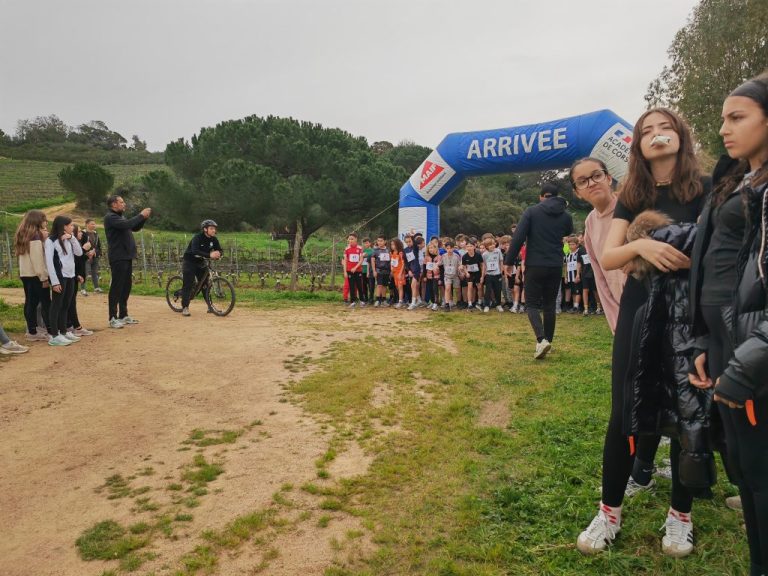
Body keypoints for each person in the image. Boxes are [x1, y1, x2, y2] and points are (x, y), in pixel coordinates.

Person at [576, 108, 708, 558]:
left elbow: (719, 251)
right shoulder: (633, 193)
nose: (656, 135)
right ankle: (608, 512)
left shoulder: (707, 189)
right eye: (647, 131)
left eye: (665, 127)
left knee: (685, 410)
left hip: (689, 308)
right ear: (637, 145)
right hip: (641, 304)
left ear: (680, 136)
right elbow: (612, 256)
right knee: (623, 410)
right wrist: (643, 244)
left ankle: (680, 516)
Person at [689, 72, 768, 576]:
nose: (723, 129)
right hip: (723, 333)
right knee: (741, 461)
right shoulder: (739, 180)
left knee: (762, 469)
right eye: (722, 118)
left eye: (736, 117)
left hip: (754, 345)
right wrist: (702, 334)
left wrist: (748, 360)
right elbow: (717, 262)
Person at [504, 182, 574, 359]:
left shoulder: (532, 211)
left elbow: (518, 237)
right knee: (550, 305)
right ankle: (548, 341)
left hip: (535, 263)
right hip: (556, 264)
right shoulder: (566, 216)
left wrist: (509, 261)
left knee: (532, 304)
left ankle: (541, 340)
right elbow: (567, 232)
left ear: (541, 196)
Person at [104, 195, 151, 328]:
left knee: (126, 286)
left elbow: (134, 227)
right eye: (122, 202)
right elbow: (128, 224)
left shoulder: (120, 217)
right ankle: (112, 317)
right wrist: (141, 215)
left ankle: (123, 315)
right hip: (118, 257)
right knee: (117, 287)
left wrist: (143, 219)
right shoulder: (110, 217)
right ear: (114, 204)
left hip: (126, 256)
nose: (124, 204)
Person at [44, 215, 83, 347]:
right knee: (56, 305)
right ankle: (54, 335)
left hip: (70, 276)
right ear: (63, 226)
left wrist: (72, 239)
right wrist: (54, 282)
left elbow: (79, 253)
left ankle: (63, 331)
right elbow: (49, 262)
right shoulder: (51, 241)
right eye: (71, 225)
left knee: (66, 305)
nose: (73, 227)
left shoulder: (69, 239)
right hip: (60, 277)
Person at [15, 210, 51, 342]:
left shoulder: (23, 235)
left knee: (30, 302)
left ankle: (32, 330)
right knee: (46, 303)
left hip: (26, 273)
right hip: (36, 275)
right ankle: (51, 331)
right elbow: (38, 260)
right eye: (44, 219)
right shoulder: (35, 236)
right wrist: (44, 278)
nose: (45, 222)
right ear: (37, 221)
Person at [180, 219, 222, 316]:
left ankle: (210, 307)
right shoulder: (197, 238)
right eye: (211, 228)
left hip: (201, 262)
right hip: (189, 261)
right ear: (205, 229)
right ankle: (185, 307)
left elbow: (219, 249)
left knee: (205, 284)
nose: (214, 231)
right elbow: (195, 251)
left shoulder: (214, 239)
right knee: (188, 284)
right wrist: (210, 255)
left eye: (214, 229)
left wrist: (219, 253)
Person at [67, 224, 94, 336]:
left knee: (71, 302)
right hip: (71, 275)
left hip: (73, 275)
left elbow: (79, 259)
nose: (81, 233)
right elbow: (75, 260)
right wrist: (84, 250)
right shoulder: (70, 243)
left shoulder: (75, 243)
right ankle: (74, 326)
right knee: (70, 302)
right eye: (78, 232)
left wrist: (87, 255)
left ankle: (70, 325)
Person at [343, 232, 365, 309]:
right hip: (349, 271)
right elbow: (345, 260)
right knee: (351, 286)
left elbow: (361, 260)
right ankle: (352, 302)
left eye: (352, 239)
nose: (350, 240)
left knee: (359, 286)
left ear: (356, 239)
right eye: (349, 239)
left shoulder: (360, 248)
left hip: (358, 270)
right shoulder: (347, 249)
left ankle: (362, 301)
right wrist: (345, 271)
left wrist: (356, 267)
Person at [481, 237, 504, 312]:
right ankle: (486, 305)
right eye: (490, 245)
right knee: (488, 290)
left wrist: (501, 271)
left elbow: (501, 261)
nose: (492, 246)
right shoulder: (484, 254)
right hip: (489, 275)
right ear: (487, 246)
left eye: (493, 244)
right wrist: (482, 275)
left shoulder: (498, 251)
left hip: (497, 274)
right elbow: (484, 265)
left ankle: (498, 304)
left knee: (498, 290)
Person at [83, 218, 103, 294]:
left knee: (95, 272)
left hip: (95, 256)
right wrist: (87, 253)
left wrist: (95, 252)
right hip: (86, 256)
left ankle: (96, 288)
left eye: (94, 224)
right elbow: (80, 245)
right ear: (87, 224)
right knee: (85, 272)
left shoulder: (96, 234)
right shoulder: (83, 233)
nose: (94, 225)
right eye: (92, 224)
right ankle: (83, 289)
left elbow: (98, 246)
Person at [462, 239, 483, 311]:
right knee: (470, 286)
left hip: (477, 272)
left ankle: (480, 302)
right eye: (467, 246)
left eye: (471, 246)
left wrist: (482, 275)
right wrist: (466, 272)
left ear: (474, 247)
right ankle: (470, 303)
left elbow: (482, 265)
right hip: (470, 273)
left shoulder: (478, 255)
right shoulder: (464, 256)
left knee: (479, 287)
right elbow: (464, 266)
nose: (469, 248)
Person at [441, 240, 461, 311]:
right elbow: (439, 263)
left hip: (455, 275)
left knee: (457, 289)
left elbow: (460, 264)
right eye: (447, 248)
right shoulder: (443, 256)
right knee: (447, 288)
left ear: (453, 248)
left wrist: (460, 269)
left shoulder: (456, 256)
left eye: (451, 248)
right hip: (447, 276)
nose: (449, 250)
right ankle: (447, 304)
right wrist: (435, 266)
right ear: (445, 249)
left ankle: (458, 302)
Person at [372, 235, 391, 307]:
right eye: (378, 241)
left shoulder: (388, 250)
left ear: (385, 241)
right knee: (379, 285)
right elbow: (373, 261)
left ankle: (384, 300)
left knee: (384, 286)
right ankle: (377, 300)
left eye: (381, 241)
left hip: (387, 271)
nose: (379, 242)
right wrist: (374, 271)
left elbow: (391, 261)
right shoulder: (375, 250)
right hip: (379, 270)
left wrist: (391, 270)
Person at [390, 238, 406, 308]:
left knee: (400, 287)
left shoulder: (400, 253)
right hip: (394, 272)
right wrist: (391, 269)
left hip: (400, 272)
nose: (392, 246)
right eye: (391, 244)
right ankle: (400, 300)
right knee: (397, 287)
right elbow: (392, 262)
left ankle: (400, 301)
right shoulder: (393, 253)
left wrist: (400, 273)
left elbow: (403, 263)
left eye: (393, 244)